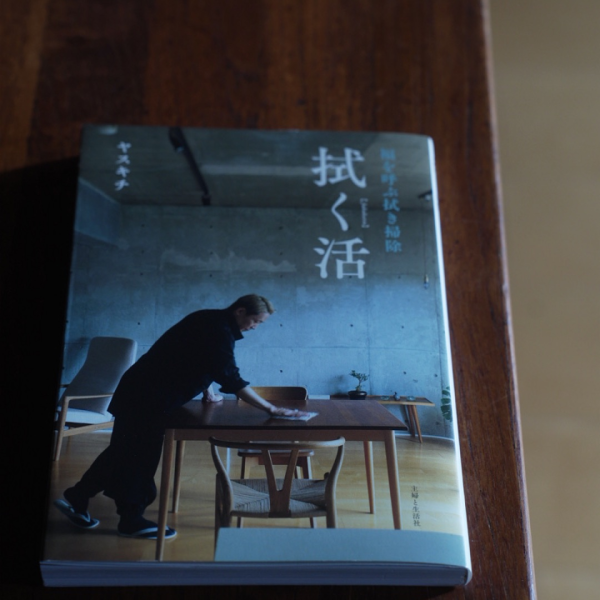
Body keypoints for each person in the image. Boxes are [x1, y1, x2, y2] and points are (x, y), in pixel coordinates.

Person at [54, 294, 309, 539]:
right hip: (148, 399)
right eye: (255, 321)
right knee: (139, 459)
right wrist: (271, 409)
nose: (254, 327)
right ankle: (130, 521)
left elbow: (192, 358)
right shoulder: (219, 331)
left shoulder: (208, 319)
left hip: (139, 393)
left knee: (123, 451)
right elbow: (230, 376)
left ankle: (78, 497)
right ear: (240, 311)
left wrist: (207, 390)